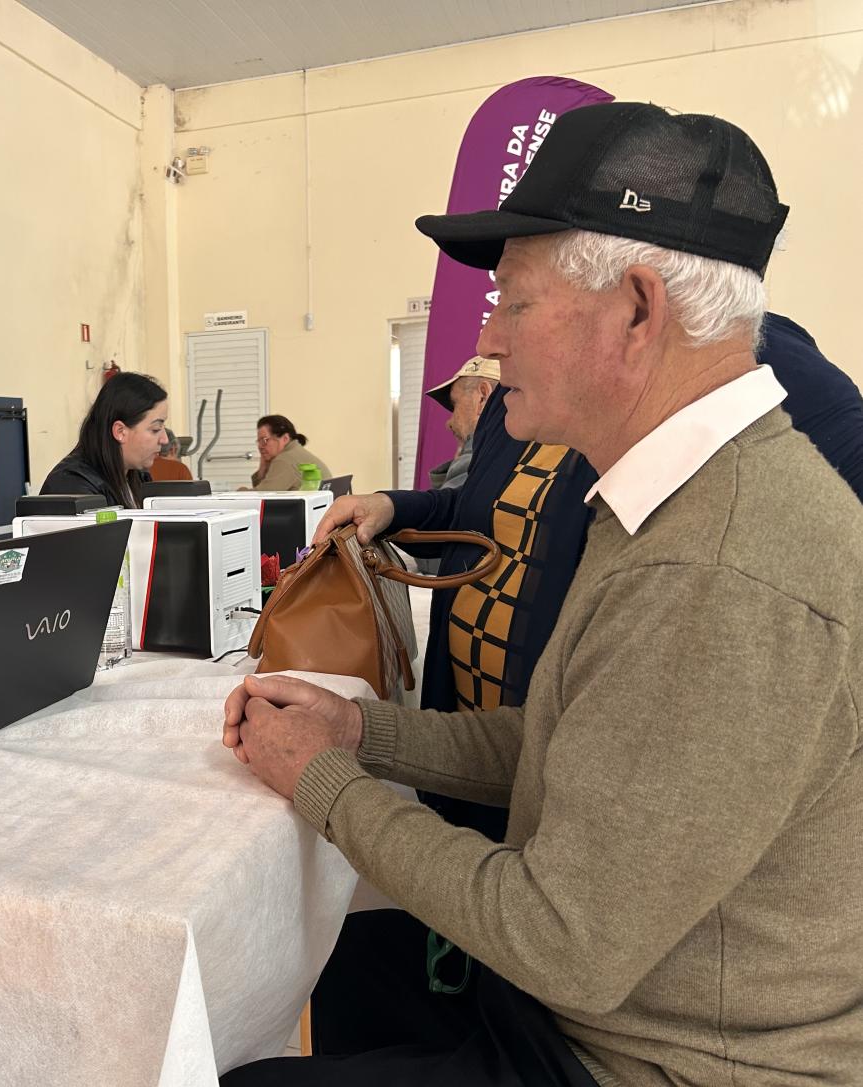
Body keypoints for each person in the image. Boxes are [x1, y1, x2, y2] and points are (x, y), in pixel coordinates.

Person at [221, 102, 863, 1086]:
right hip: (587, 1005)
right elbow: (563, 740)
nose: (487, 339)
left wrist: (320, 780)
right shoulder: (674, 494)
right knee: (319, 977)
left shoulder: (715, 572)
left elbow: (560, 938)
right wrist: (362, 735)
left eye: (512, 301)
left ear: (639, 311)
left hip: (641, 1057)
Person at [40, 372, 168, 507]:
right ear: (120, 431)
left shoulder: (138, 478)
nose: (164, 439)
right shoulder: (73, 487)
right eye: (155, 429)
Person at [425, 356, 499, 490]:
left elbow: (450, 510)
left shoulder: (481, 458)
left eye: (455, 404)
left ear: (482, 398)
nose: (449, 423)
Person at [251, 415, 331, 491]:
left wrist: (240, 491)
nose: (260, 446)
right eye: (259, 441)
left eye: (264, 440)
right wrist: (263, 466)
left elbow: (260, 496)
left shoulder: (284, 460)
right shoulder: (294, 452)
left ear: (285, 439)